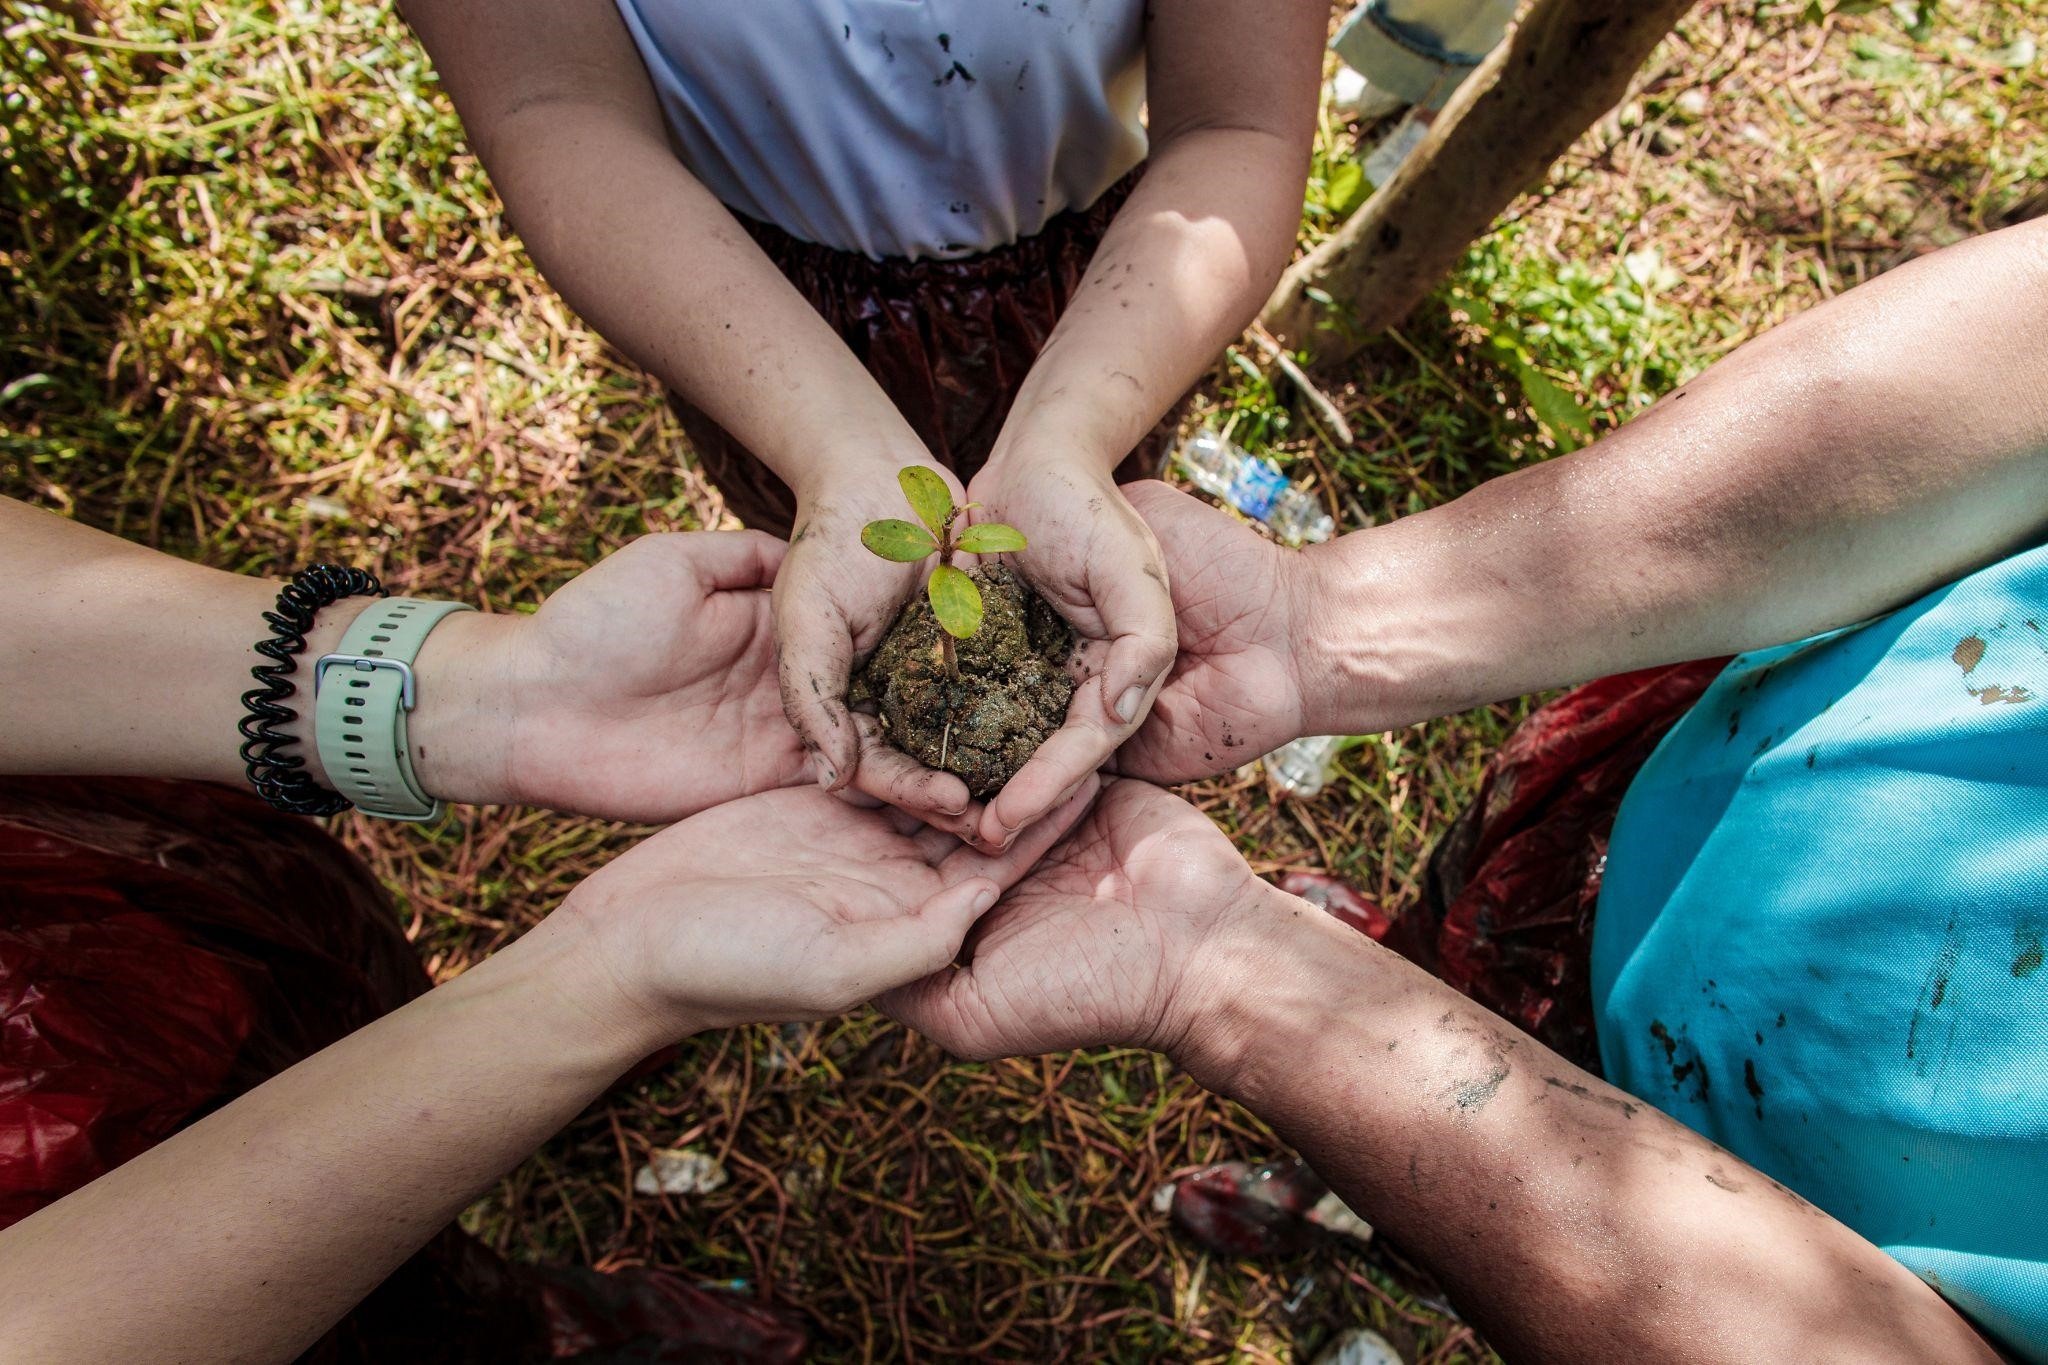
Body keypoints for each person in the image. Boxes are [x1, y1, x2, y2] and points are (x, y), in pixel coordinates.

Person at [971, 216, 2042, 1359]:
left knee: (1441, 1203)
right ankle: (1402, 998)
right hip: (1721, 774)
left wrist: (1253, 989)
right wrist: (1315, 629)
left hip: (1755, 1240)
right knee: (1472, 927)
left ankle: (1373, 1197)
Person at [0, 495, 1091, 1360]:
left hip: (84, 905)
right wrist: (591, 985)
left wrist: (495, 691)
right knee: (359, 1316)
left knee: (310, 992)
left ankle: (480, 1161)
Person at [397, 0, 1330, 853]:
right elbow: (550, 106)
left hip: (1108, 303)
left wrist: (1071, 434)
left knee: (1085, 537)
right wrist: (833, 454)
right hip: (750, 313)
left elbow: (1237, 123)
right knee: (810, 545)